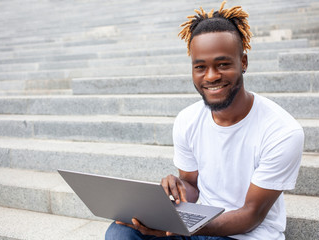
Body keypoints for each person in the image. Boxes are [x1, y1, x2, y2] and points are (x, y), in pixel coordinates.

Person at [105, 1, 304, 239]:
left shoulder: (282, 131)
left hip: (246, 234)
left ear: (243, 62)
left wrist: (180, 226)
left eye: (222, 64)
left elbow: (251, 214)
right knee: (121, 231)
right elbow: (192, 185)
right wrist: (174, 193)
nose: (211, 76)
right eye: (200, 67)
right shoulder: (187, 119)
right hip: (199, 225)